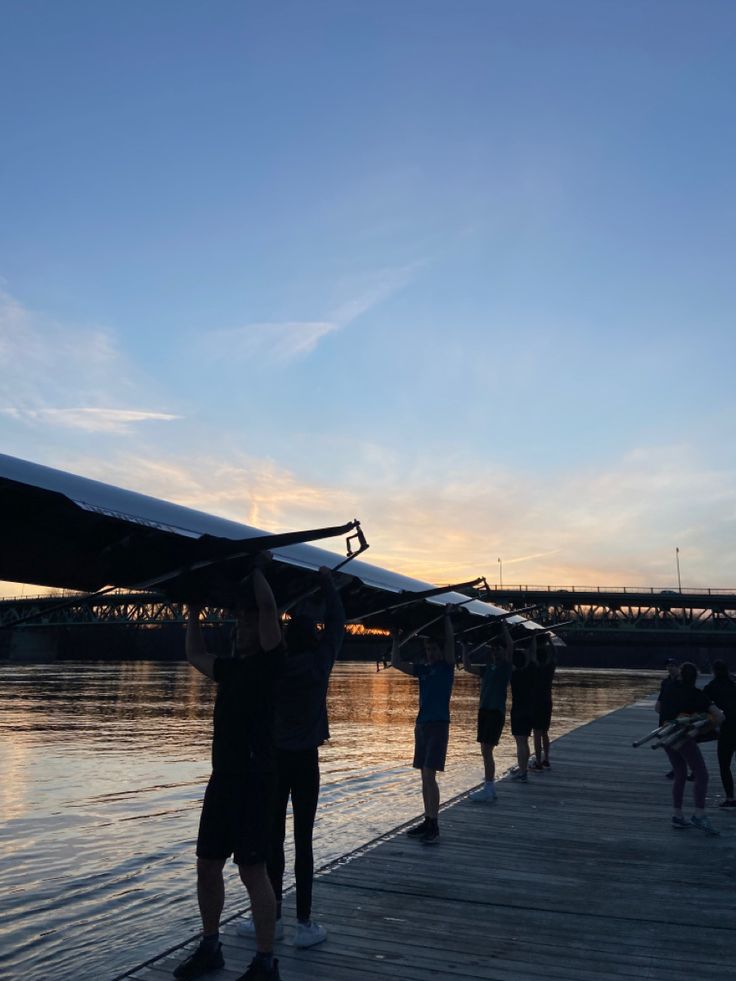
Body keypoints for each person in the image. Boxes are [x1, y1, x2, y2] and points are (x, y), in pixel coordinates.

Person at [174, 564, 284, 981]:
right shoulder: (231, 670)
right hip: (223, 780)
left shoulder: (272, 662)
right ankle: (210, 947)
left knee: (252, 870)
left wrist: (254, 565)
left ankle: (265, 961)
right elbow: (195, 655)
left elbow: (270, 605)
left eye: (246, 620)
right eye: (237, 621)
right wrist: (193, 613)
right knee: (207, 863)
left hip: (256, 781)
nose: (239, 627)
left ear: (264, 629)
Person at [237, 567, 345, 948]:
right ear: (312, 636)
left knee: (273, 839)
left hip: (275, 761)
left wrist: (263, 580)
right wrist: (328, 584)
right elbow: (338, 624)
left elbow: (267, 626)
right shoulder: (321, 663)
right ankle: (304, 924)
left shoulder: (276, 666)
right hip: (306, 764)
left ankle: (271, 916)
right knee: (304, 841)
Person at [391, 610, 455, 844]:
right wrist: (396, 641)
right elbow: (396, 663)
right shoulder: (424, 670)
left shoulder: (447, 667)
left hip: (439, 726)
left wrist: (447, 618)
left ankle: (435, 824)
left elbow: (450, 642)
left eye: (434, 649)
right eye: (428, 650)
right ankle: (427, 820)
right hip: (422, 726)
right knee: (423, 777)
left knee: (430, 775)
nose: (431, 653)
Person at [659, 661, 724, 835]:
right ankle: (699, 814)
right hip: (683, 737)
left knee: (679, 773)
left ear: (680, 675)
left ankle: (678, 814)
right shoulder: (697, 695)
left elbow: (659, 709)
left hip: (665, 735)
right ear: (696, 678)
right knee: (701, 774)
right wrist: (705, 725)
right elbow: (718, 716)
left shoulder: (669, 690)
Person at [463, 623, 513, 802]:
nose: (496, 653)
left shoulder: (506, 668)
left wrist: (505, 628)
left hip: (495, 712)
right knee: (484, 750)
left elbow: (511, 647)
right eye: (494, 650)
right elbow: (468, 667)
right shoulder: (487, 669)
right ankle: (489, 785)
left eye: (499, 650)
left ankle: (489, 787)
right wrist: (464, 649)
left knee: (487, 750)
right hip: (483, 711)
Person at [703, 660, 736, 808]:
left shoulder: (711, 687)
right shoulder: (734, 684)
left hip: (726, 730)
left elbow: (702, 703)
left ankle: (730, 798)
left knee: (725, 765)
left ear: (714, 671)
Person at [509, 635, 538, 783]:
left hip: (518, 711)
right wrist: (532, 637)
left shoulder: (514, 673)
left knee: (520, 742)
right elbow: (532, 655)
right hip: (529, 710)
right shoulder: (532, 670)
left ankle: (522, 772)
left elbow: (509, 651)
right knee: (525, 741)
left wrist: (510, 638)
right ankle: (523, 769)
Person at [530, 635, 556, 771]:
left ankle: (538, 762)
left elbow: (532, 655)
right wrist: (550, 641)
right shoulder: (550, 669)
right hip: (547, 702)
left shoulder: (536, 669)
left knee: (537, 733)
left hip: (537, 702)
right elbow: (554, 655)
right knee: (545, 732)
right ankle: (546, 759)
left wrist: (533, 638)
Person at [655, 659, 681, 780]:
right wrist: (658, 704)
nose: (670, 668)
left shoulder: (682, 682)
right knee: (667, 744)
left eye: (673, 666)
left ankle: (684, 768)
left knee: (678, 743)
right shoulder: (665, 682)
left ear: (678, 667)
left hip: (677, 717)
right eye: (668, 666)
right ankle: (676, 767)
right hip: (665, 715)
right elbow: (661, 695)